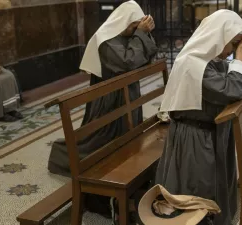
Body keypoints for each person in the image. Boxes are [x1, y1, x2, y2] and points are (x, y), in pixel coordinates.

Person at [47, 0, 158, 220]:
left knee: (128, 137)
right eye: (134, 26)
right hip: (109, 102)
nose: (136, 30)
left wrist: (144, 34)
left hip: (128, 96)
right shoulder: (105, 40)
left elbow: (145, 58)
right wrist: (140, 35)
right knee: (101, 141)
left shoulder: (127, 36)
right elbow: (128, 62)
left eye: (138, 27)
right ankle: (63, 156)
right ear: (124, 22)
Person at [155, 10, 242, 225]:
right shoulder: (193, 63)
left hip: (211, 131)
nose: (231, 51)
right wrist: (240, 56)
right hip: (195, 138)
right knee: (198, 189)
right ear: (218, 37)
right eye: (232, 44)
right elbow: (233, 89)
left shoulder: (210, 59)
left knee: (215, 184)